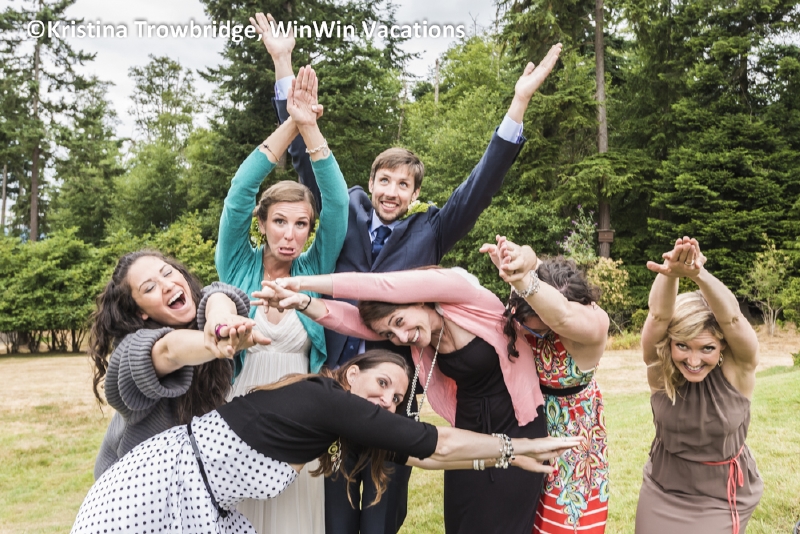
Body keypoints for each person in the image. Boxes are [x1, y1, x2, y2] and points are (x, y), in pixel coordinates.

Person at [257, 11, 564, 531]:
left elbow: (480, 185)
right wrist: (283, 65)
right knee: (334, 515)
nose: (391, 191)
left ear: (416, 194)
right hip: (336, 382)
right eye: (385, 180)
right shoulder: (343, 211)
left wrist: (518, 104)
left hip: (393, 393)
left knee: (382, 517)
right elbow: (307, 155)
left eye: (404, 185)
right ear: (371, 181)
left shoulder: (432, 231)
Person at [72, 350, 584, 534]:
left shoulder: (337, 414)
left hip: (199, 500)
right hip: (159, 486)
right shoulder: (328, 401)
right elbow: (437, 444)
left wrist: (504, 459)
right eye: (381, 384)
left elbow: (420, 457)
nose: (387, 401)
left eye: (397, 397)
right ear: (351, 373)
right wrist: (517, 447)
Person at [255, 267, 551, 534]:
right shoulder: (418, 336)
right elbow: (351, 321)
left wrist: (300, 283)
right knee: (462, 524)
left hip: (517, 422)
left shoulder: (462, 293)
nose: (401, 336)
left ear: (418, 299)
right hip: (468, 430)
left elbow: (379, 286)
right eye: (389, 334)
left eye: (399, 322)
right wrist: (303, 302)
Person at [215, 55, 349, 532]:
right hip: (238, 411)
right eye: (279, 221)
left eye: (301, 224)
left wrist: (310, 128)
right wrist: (291, 123)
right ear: (262, 223)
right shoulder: (237, 265)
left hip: (299, 420)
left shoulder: (312, 270)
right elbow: (239, 190)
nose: (290, 235)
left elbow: (337, 203)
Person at [89, 250, 266, 479]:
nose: (167, 285)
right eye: (149, 288)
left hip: (183, 478)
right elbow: (169, 351)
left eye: (167, 273)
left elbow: (219, 296)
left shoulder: (202, 313)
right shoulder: (130, 351)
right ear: (140, 312)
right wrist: (215, 342)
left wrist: (220, 320)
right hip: (130, 484)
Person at [482, 235, 610, 533]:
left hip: (571, 446)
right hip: (526, 432)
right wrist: (515, 263)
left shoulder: (590, 324)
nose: (526, 333)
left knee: (561, 523)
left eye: (538, 331)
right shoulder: (532, 305)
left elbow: (561, 314)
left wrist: (523, 277)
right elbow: (536, 270)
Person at [635, 237, 762, 534]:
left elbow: (732, 319)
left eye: (707, 348)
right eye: (682, 345)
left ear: (722, 345)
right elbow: (658, 316)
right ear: (670, 343)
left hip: (721, 496)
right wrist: (671, 274)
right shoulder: (660, 368)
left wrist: (698, 275)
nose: (693, 361)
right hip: (662, 489)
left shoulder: (738, 369)